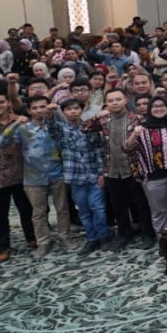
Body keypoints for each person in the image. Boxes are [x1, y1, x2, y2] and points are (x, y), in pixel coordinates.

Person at [0, 94, 70, 256]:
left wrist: (57, 112)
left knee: (62, 209)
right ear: (29, 111)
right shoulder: (23, 129)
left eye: (42, 106)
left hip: (57, 173)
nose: (39, 111)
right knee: (38, 212)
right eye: (35, 108)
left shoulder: (55, 125)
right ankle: (43, 242)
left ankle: (64, 236)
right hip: (33, 177)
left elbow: (67, 130)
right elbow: (2, 142)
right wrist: (16, 123)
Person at [82, 88, 153, 250]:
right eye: (111, 100)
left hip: (134, 169)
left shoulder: (138, 119)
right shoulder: (103, 120)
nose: (115, 103)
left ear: (126, 100)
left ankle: (147, 233)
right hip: (111, 169)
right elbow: (84, 128)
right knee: (118, 206)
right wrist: (96, 116)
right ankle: (124, 234)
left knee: (141, 204)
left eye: (118, 99)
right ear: (106, 103)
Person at [124, 96, 167, 236]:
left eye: (162, 105)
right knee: (159, 210)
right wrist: (134, 135)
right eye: (155, 106)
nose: (159, 109)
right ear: (149, 109)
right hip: (153, 176)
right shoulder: (142, 127)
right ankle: (163, 238)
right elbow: (127, 149)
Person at [55, 98, 109, 256]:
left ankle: (104, 236)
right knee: (84, 211)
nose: (73, 112)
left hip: (94, 175)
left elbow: (99, 150)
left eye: (76, 108)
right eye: (68, 109)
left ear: (81, 110)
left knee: (98, 208)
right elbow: (51, 125)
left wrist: (101, 172)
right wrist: (51, 114)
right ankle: (91, 239)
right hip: (75, 177)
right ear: (63, 112)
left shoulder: (90, 127)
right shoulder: (61, 130)